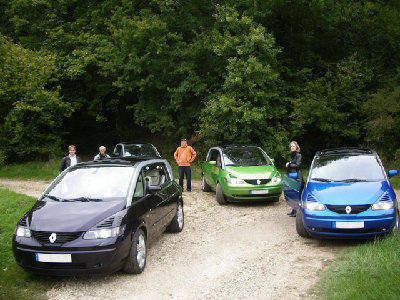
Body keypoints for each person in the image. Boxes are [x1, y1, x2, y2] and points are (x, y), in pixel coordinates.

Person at [285, 141, 303, 217]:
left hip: (297, 177)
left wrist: (289, 165)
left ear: (296, 147)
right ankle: (293, 210)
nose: (292, 147)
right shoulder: (292, 155)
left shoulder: (299, 155)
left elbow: (298, 165)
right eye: (291, 146)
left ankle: (297, 212)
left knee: (296, 194)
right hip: (292, 176)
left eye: (293, 146)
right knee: (293, 194)